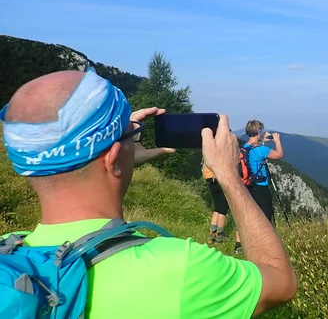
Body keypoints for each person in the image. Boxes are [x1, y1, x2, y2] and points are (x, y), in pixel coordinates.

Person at [0, 69, 297, 318]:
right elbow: (280, 282)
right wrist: (230, 177)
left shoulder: (8, 254)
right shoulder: (179, 268)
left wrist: (122, 153)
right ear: (113, 157)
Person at [234, 120, 283, 254]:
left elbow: (254, 153)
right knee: (265, 215)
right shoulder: (262, 150)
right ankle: (263, 244)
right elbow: (279, 155)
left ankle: (239, 244)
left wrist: (263, 142)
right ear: (259, 132)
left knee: (246, 214)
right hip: (260, 186)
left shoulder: (244, 147)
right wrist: (277, 140)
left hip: (246, 185)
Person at [201, 158, 231, 245]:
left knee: (217, 208)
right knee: (223, 209)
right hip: (219, 180)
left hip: (210, 180)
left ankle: (211, 234)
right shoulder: (220, 151)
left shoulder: (208, 151)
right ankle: (219, 236)